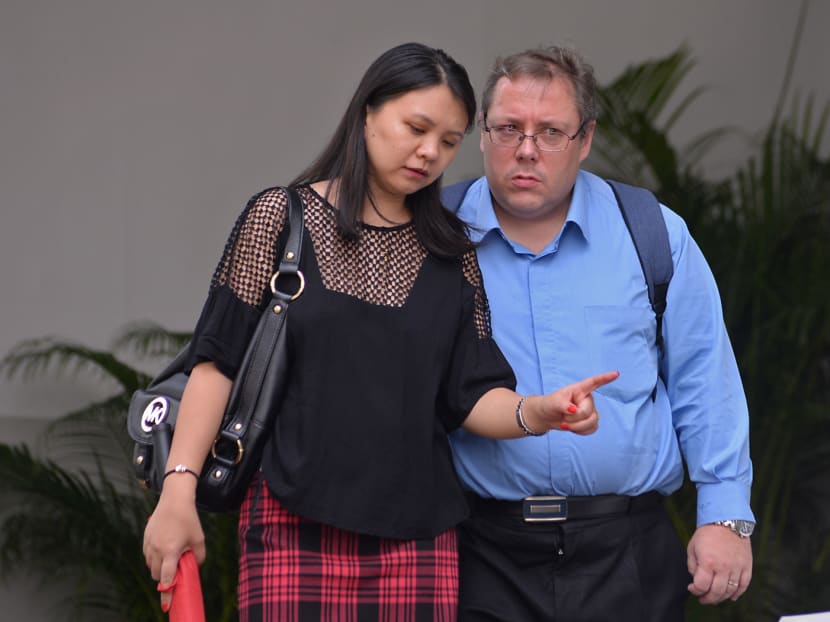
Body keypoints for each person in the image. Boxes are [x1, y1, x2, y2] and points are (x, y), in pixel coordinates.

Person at [142, 42, 618, 621]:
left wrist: (539, 412)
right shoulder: (279, 219)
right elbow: (217, 365)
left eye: (448, 141)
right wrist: (177, 491)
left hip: (420, 544)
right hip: (292, 526)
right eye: (416, 127)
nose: (429, 153)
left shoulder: (452, 251)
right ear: (367, 112)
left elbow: (470, 396)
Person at [446, 46, 754, 621]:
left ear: (585, 139)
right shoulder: (434, 240)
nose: (527, 150)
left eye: (552, 131)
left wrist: (724, 517)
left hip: (627, 552)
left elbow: (704, 381)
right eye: (508, 128)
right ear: (482, 134)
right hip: (479, 553)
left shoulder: (651, 232)